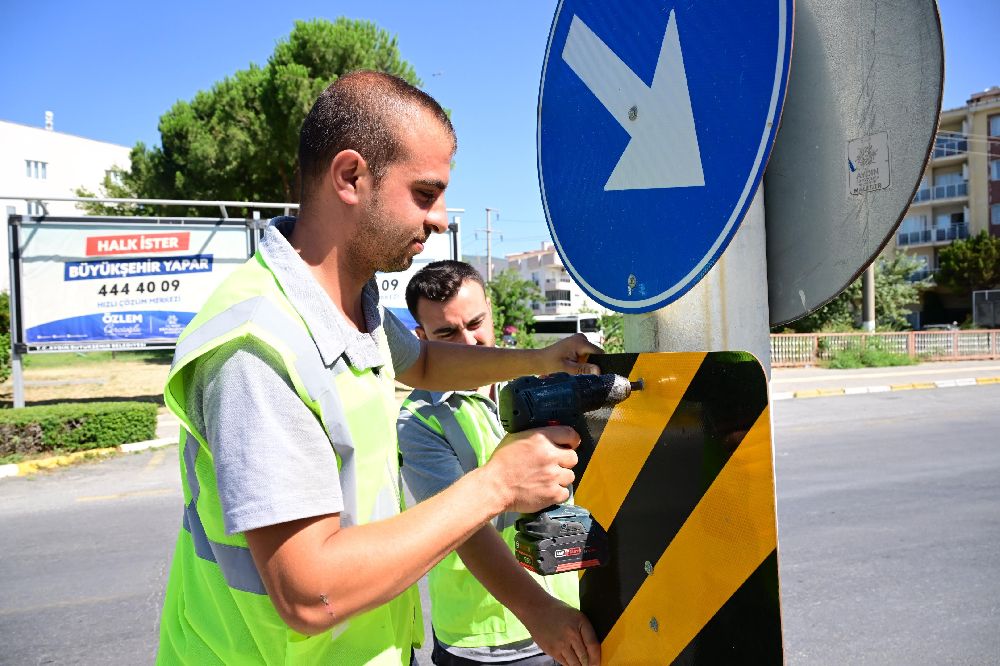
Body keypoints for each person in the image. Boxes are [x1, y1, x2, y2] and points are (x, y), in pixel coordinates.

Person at [156, 70, 602, 666]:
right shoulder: (257, 344)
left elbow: (425, 361)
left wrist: (537, 359)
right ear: (350, 177)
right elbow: (308, 593)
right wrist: (495, 485)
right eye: (425, 193)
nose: (441, 218)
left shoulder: (345, 308)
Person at [397, 261, 597, 665]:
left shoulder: (540, 385)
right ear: (421, 340)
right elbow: (464, 533)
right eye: (447, 333)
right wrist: (540, 612)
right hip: (483, 641)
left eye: (475, 323)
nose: (469, 342)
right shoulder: (418, 420)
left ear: (491, 311)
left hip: (569, 617)